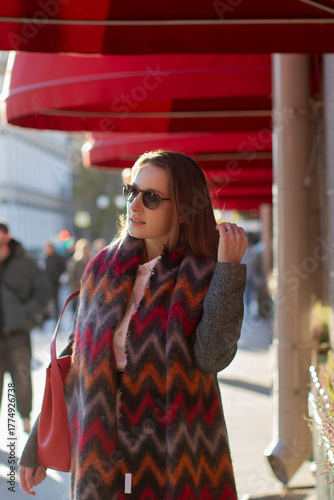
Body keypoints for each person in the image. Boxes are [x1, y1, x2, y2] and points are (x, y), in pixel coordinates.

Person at [18, 150, 248, 499]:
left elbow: (212, 357)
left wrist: (228, 271)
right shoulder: (102, 268)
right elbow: (76, 356)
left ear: (183, 207)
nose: (135, 205)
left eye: (151, 197)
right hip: (99, 452)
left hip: (176, 454)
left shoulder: (206, 272)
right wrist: (37, 445)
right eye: (132, 191)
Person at [0, 221, 51, 434]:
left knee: (22, 378)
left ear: (7, 236)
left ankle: (25, 418)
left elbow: (44, 292)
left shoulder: (26, 261)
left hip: (18, 333)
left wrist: (24, 314)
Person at [66, 238, 92, 314]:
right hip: (78, 288)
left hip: (89, 288)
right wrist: (72, 285)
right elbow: (71, 275)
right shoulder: (74, 261)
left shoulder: (91, 260)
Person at [43, 241, 66, 319]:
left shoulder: (58, 258)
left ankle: (57, 317)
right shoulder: (45, 258)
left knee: (56, 301)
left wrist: (59, 277)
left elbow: (62, 269)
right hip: (47, 283)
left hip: (55, 283)